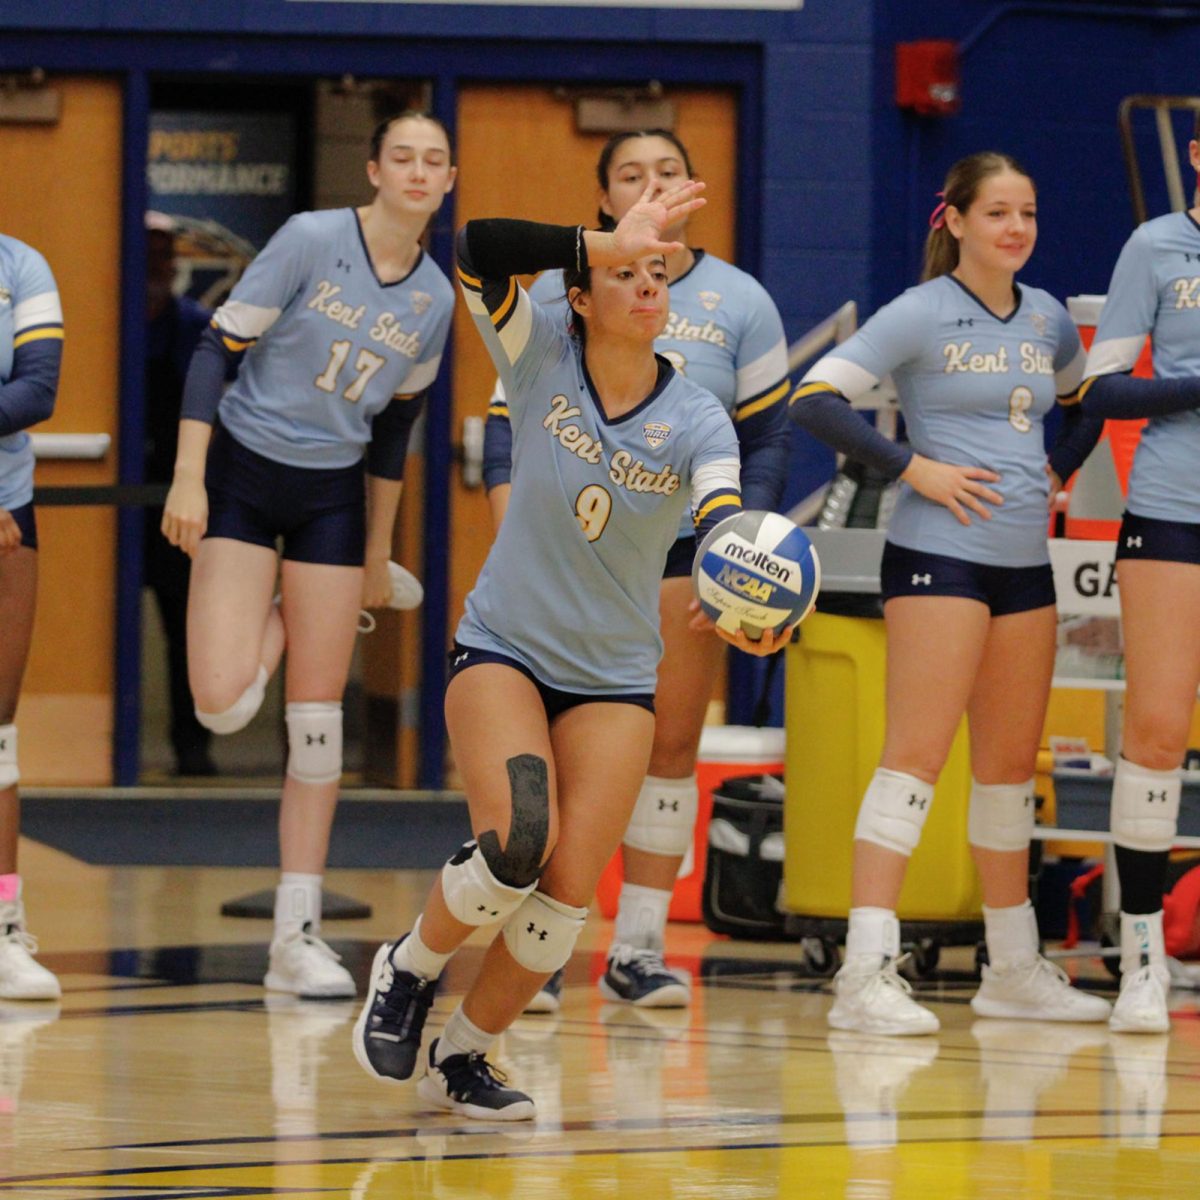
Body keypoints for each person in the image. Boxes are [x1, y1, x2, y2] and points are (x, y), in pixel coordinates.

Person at [352, 181, 791, 1120]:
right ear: (583, 294)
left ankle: (466, 1054)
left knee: (562, 896)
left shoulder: (700, 418)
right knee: (516, 843)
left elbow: (721, 513)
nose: (647, 287)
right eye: (626, 274)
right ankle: (408, 968)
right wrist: (596, 238)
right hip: (506, 650)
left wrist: (741, 585)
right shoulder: (538, 348)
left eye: (659, 274)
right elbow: (475, 242)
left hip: (616, 681)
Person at [789, 151, 1111, 1035]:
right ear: (956, 220)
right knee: (915, 760)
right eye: (999, 212)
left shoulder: (1047, 316)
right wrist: (915, 468)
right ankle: (863, 974)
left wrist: (1055, 471)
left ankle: (1011, 969)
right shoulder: (921, 313)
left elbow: (1086, 403)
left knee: (1007, 775)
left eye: (1029, 213)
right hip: (937, 560)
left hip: (1022, 567)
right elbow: (813, 401)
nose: (1016, 228)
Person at [484, 130, 791, 1011]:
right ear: (607, 199)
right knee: (548, 753)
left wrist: (736, 555)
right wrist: (510, 511)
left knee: (668, 743)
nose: (651, 186)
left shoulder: (741, 300)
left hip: (689, 545)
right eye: (631, 175)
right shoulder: (559, 292)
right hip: (568, 542)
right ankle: (527, 953)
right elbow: (507, 420)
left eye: (667, 171)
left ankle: (640, 948)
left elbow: (766, 437)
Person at [161, 112, 456, 998]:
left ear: (448, 181)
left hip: (332, 492)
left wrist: (374, 550)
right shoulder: (310, 238)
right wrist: (189, 476)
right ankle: (298, 605)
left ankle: (297, 937)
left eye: (433, 160)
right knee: (220, 704)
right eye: (401, 156)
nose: (416, 170)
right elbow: (217, 349)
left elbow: (395, 430)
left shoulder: (437, 298)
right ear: (372, 168)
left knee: (316, 729)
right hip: (246, 474)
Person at [1071, 115, 1200, 1033]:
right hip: (1170, 505)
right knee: (1156, 728)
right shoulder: (1155, 246)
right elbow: (1103, 389)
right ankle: (1145, 960)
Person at [0, 232, 64, 1001]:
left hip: (8, 509)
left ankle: (5, 928)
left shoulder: (21, 266)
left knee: (0, 733)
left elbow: (37, 391)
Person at [144, 213, 217, 777]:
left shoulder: (195, 325)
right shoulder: (109, 322)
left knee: (184, 625)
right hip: (122, 493)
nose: (155, 269)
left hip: (178, 494)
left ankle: (192, 749)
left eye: (163, 258)